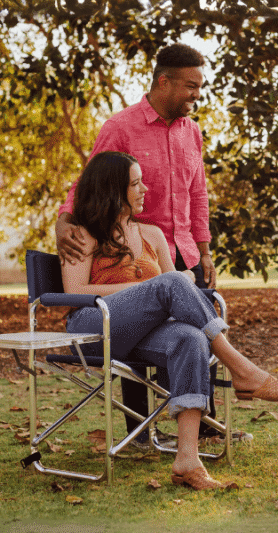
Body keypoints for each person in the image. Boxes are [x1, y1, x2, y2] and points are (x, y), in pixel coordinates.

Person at [62, 151, 278, 490]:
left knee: (189, 337)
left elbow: (166, 297)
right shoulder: (82, 235)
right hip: (91, 327)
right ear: (113, 191)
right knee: (174, 280)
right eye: (135, 183)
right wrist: (156, 285)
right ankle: (243, 370)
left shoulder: (153, 235)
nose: (145, 189)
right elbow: (74, 292)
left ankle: (188, 459)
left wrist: (169, 287)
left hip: (139, 333)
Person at [54, 43, 221, 443]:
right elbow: (91, 179)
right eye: (190, 86)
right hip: (128, 242)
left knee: (193, 324)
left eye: (200, 86)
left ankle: (204, 427)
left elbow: (198, 193)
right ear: (164, 81)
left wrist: (205, 248)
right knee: (139, 329)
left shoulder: (192, 132)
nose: (197, 95)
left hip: (179, 246)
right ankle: (140, 430)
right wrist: (63, 219)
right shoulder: (122, 127)